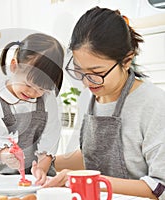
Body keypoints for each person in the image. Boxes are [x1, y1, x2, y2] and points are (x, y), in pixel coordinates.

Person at [40, 6, 165, 199]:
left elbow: (159, 187)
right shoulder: (90, 96)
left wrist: (88, 181)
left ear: (127, 61)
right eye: (79, 70)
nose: (86, 82)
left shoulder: (155, 104)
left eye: (97, 73)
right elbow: (93, 158)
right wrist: (46, 162)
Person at [0, 33, 64, 184]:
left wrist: (42, 169)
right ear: (14, 66)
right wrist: (5, 153)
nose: (33, 93)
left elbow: (50, 137)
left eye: (41, 89)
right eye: (29, 84)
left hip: (40, 176)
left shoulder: (47, 99)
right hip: (4, 176)